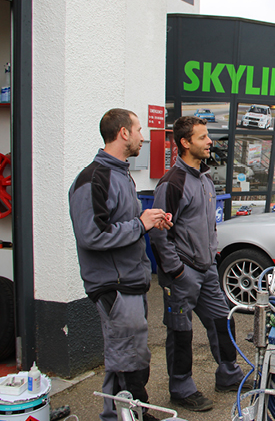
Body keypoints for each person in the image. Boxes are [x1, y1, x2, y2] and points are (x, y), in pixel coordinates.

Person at [69, 108, 171, 421]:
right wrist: (140, 225)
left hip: (131, 281)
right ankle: (135, 414)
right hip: (114, 287)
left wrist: (151, 220)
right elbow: (92, 235)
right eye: (139, 129)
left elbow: (125, 223)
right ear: (123, 133)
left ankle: (121, 416)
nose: (143, 136)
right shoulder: (92, 179)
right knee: (130, 360)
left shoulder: (120, 173)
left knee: (123, 357)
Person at [149, 116, 247, 412]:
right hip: (183, 273)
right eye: (203, 137)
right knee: (181, 332)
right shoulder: (171, 183)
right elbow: (158, 232)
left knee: (222, 321)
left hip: (207, 270)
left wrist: (213, 256)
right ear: (185, 143)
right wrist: (176, 269)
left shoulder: (204, 178)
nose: (209, 143)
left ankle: (228, 376)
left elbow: (207, 225)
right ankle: (181, 388)